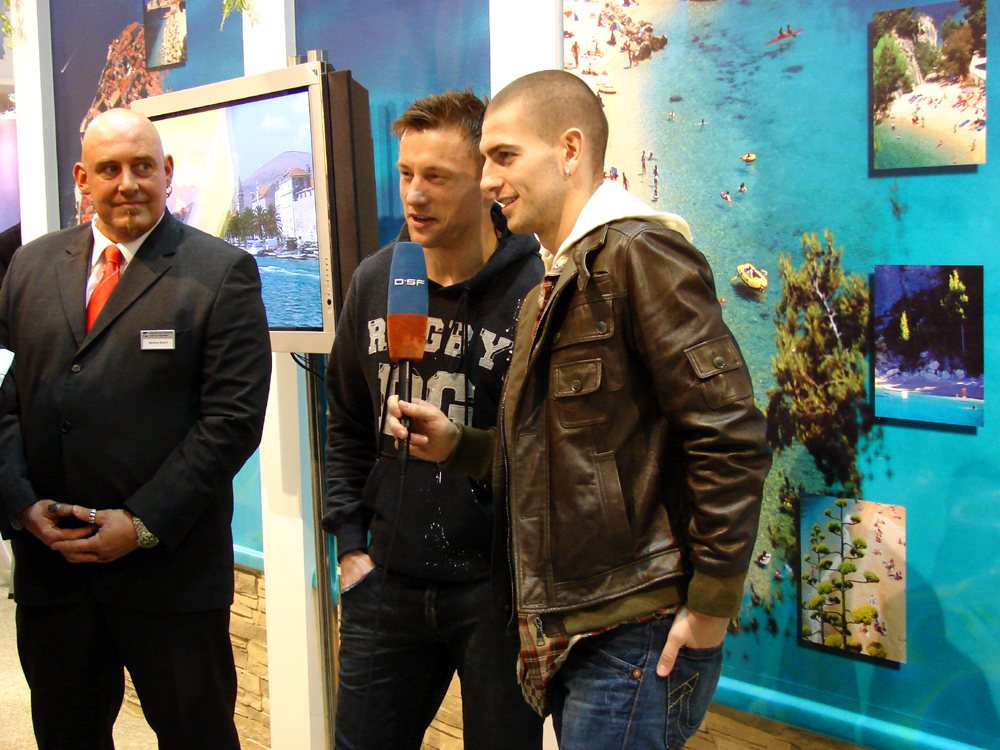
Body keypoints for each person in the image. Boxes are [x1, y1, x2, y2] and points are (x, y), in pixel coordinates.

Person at [386, 70, 770, 749]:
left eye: (504, 157)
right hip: (581, 632)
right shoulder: (557, 280)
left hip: (633, 635)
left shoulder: (641, 254)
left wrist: (713, 603)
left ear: (569, 150)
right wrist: (459, 446)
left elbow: (730, 433)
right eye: (484, 161)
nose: (487, 181)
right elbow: (559, 456)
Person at [0, 109, 272, 749]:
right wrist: (19, 505)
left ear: (167, 171)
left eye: (143, 166)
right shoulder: (30, 267)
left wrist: (142, 523)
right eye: (110, 169)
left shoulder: (220, 273)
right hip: (54, 574)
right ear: (82, 179)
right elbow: (7, 399)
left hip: (169, 577)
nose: (128, 183)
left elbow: (231, 422)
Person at [322, 91, 544, 750]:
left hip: (499, 594)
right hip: (386, 581)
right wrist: (350, 548)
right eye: (406, 174)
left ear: (485, 181)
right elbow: (346, 424)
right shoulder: (374, 281)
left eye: (437, 177)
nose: (414, 195)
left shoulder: (537, 288)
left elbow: (551, 454)